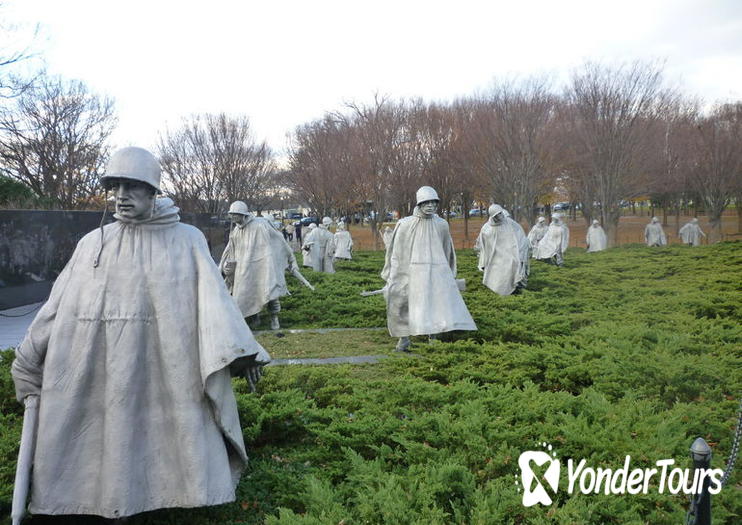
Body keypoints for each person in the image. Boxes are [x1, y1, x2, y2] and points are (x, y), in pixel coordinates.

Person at [11, 147, 270, 520]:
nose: (120, 195)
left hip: (166, 371)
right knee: (102, 439)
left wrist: (242, 353)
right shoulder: (93, 244)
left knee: (163, 441)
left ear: (152, 192)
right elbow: (57, 306)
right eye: (115, 186)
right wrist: (30, 355)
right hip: (97, 370)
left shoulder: (187, 240)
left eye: (132, 186)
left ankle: (157, 501)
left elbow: (215, 304)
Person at [382, 186, 477, 352]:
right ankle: (403, 340)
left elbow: (448, 250)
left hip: (435, 272)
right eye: (426, 202)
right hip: (409, 272)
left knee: (435, 305)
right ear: (419, 203)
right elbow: (397, 253)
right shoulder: (405, 224)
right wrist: (394, 274)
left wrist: (448, 274)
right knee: (402, 303)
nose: (431, 205)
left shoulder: (441, 225)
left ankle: (433, 338)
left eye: (434, 202)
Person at [219, 201, 305, 330]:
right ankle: (254, 317)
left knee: (270, 292)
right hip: (243, 269)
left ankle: (274, 318)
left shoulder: (260, 226)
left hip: (263, 265)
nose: (233, 218)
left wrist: (290, 259)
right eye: (232, 215)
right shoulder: (236, 230)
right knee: (246, 293)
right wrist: (224, 265)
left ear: (243, 215)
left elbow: (278, 240)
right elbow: (230, 249)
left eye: (236, 215)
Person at [474, 204, 530, 295]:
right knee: (496, 274)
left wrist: (520, 251)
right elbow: (483, 245)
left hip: (510, 253)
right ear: (493, 216)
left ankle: (512, 290)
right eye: (497, 215)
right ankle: (498, 292)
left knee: (512, 266)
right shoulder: (486, 228)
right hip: (495, 256)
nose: (500, 216)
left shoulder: (509, 223)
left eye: (500, 213)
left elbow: (519, 234)